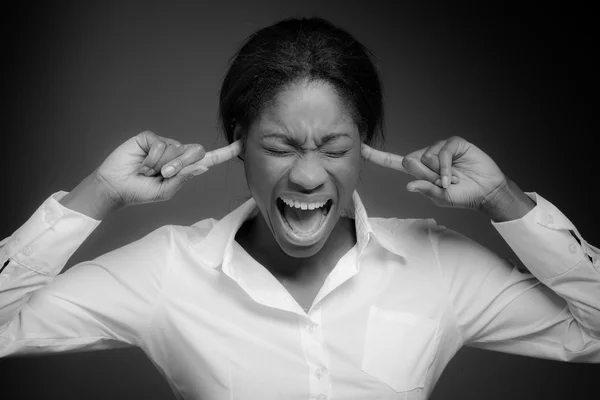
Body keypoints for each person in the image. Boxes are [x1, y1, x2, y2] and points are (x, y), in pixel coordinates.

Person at [1, 16, 598, 400]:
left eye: (335, 148)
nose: (308, 175)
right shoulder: (168, 270)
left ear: (364, 147)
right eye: (280, 147)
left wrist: (502, 200)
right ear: (237, 143)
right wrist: (99, 192)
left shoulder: (435, 260)